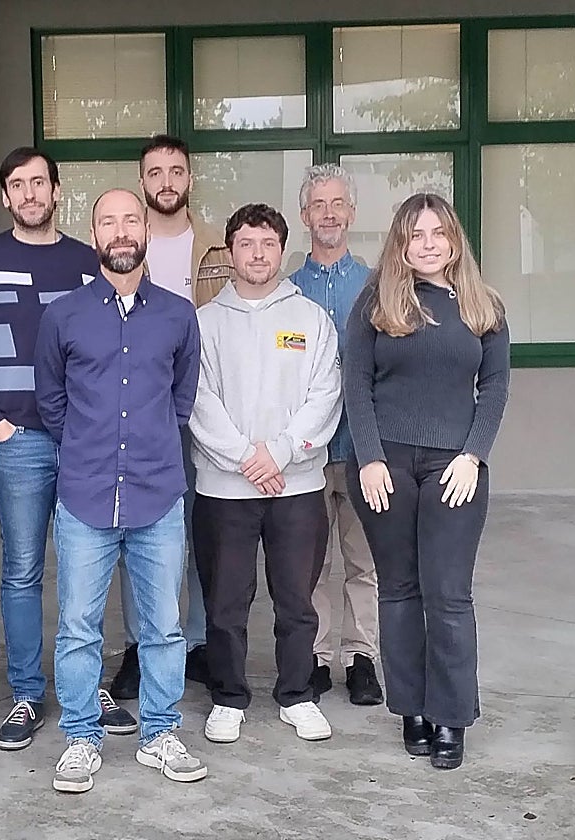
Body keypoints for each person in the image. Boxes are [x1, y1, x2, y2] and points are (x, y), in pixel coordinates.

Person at [0, 147, 133, 751]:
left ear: (57, 189)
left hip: (83, 443)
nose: (29, 193)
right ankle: (27, 694)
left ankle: (89, 686)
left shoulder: (86, 262)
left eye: (39, 183)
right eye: (17, 185)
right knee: (22, 572)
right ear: (5, 196)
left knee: (86, 569)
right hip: (16, 442)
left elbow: (114, 352)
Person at [37, 189, 205, 793]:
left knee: (163, 626)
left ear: (146, 231)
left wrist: (151, 440)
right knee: (80, 627)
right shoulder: (64, 315)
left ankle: (160, 732)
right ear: (95, 233)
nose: (121, 231)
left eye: (131, 219)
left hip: (157, 491)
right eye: (108, 221)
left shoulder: (178, 315)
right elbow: (52, 401)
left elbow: (182, 399)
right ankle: (83, 737)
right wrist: (89, 444)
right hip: (84, 494)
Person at [342, 193, 509, 771]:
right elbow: (356, 384)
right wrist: (367, 458)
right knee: (398, 589)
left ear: (455, 239)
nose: (429, 243)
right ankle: (410, 706)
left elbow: (495, 390)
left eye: (438, 232)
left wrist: (473, 456)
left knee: (448, 593)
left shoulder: (482, 306)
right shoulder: (376, 302)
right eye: (417, 235)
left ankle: (451, 716)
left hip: (454, 466)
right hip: (385, 463)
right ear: (401, 244)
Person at [189, 203, 342, 745]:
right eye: (246, 243)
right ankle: (228, 695)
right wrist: (243, 459)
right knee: (226, 600)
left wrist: (278, 454)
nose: (257, 253)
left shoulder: (310, 320)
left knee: (296, 598)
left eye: (267, 243)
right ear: (230, 252)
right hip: (223, 489)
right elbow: (198, 400)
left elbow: (326, 396)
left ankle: (297, 693)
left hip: (295, 485)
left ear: (283, 249)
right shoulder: (204, 323)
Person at [108, 134, 233, 699]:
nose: (166, 181)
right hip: (139, 418)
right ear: (142, 181)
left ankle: (199, 643)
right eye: (154, 172)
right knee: (141, 531)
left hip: (207, 412)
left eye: (176, 171)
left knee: (201, 534)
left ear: (189, 178)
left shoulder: (218, 250)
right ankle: (141, 646)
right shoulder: (121, 249)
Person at [288, 164, 382, 707]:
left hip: (362, 448)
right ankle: (320, 656)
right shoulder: (287, 290)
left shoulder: (372, 286)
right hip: (308, 453)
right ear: (305, 216)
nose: (328, 213)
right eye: (318, 204)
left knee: (364, 560)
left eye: (337, 203)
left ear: (350, 212)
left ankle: (363, 656)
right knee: (313, 561)